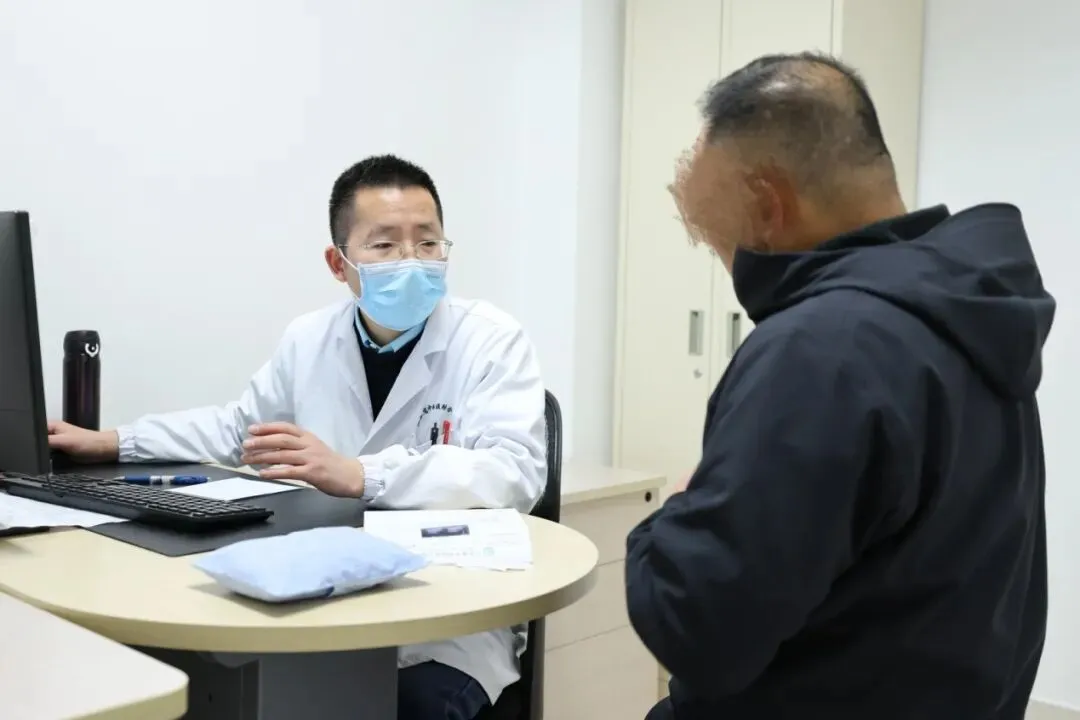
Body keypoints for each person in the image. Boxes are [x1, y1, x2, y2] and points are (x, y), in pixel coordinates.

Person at [625, 52, 1054, 720]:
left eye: (721, 243)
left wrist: (673, 514)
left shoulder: (822, 351)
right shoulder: (973, 316)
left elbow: (697, 628)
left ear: (768, 206)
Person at [48, 154, 547, 720]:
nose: (411, 260)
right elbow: (238, 430)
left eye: (428, 243)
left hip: (447, 611)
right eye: (385, 245)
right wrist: (115, 442)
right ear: (339, 263)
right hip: (326, 590)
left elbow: (515, 473)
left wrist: (361, 473)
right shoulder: (310, 338)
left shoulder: (490, 340)